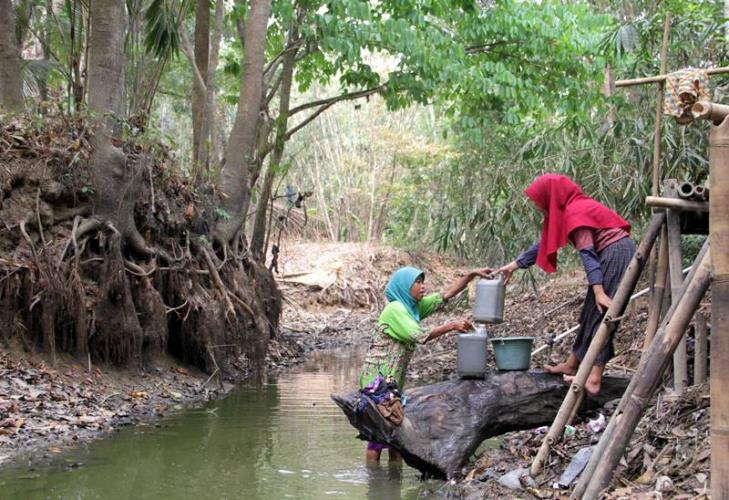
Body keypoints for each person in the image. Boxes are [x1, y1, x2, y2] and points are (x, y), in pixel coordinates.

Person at [497, 173, 634, 396]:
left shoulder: (576, 212)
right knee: (588, 314)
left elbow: (588, 254)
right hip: (611, 254)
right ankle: (573, 364)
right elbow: (545, 243)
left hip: (616, 253)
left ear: (552, 197)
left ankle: (594, 378)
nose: (539, 207)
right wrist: (515, 265)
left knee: (601, 314)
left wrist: (599, 291)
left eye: (541, 201)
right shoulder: (571, 209)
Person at [360, 265, 493, 462]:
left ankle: (392, 483)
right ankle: (376, 483)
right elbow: (419, 335)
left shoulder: (411, 308)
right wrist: (452, 325)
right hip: (378, 381)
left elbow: (446, 295)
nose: (423, 287)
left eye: (423, 282)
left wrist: (471, 275)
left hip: (392, 380)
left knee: (395, 435)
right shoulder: (395, 309)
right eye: (418, 282)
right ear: (405, 287)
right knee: (378, 438)